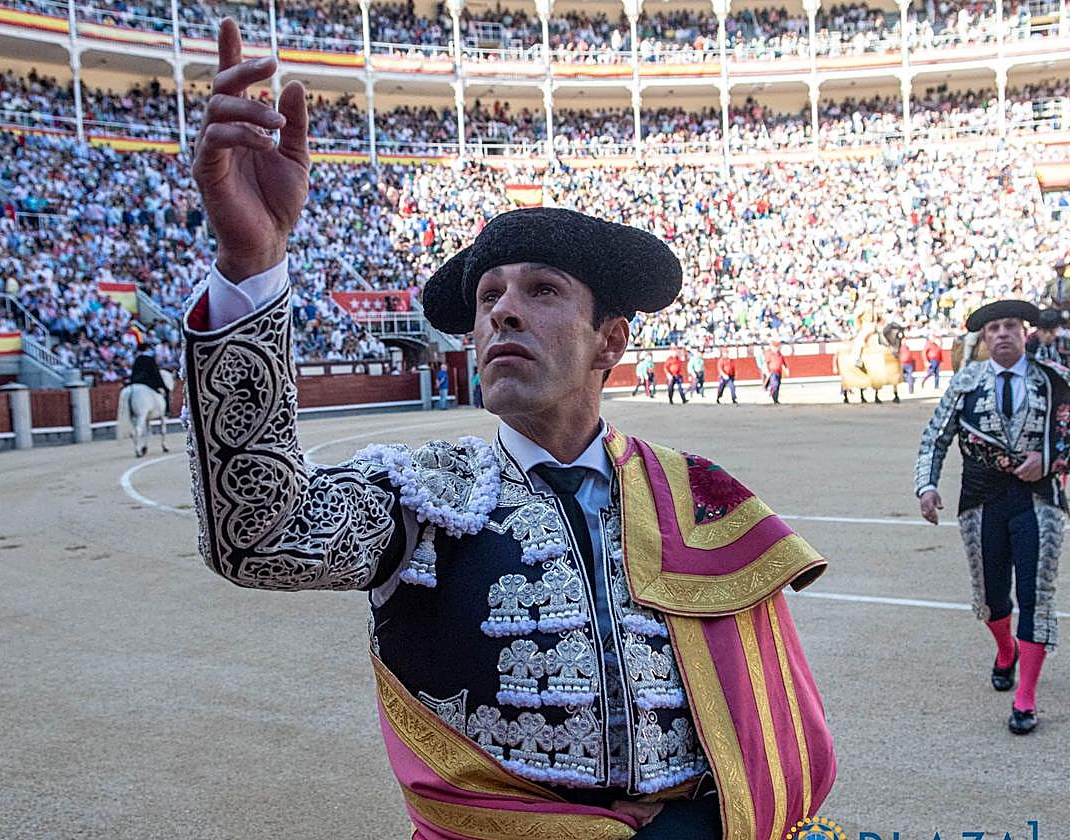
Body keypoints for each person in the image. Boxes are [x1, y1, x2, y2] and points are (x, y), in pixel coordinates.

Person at [181, 22, 835, 839]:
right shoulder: (422, 497)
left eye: (543, 290)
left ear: (611, 341)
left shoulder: (694, 493)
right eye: (488, 295)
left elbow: (762, 717)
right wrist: (253, 265)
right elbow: (259, 533)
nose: (503, 311)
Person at [915, 300, 1070, 735]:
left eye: (1009, 326)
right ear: (985, 339)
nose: (1001, 333)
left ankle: (1026, 698)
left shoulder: (1054, 382)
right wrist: (926, 486)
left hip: (1038, 501)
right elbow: (934, 440)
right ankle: (1006, 651)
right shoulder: (965, 383)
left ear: (1025, 333)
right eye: (993, 329)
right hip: (982, 503)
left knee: (1036, 596)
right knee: (992, 596)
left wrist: (1052, 457)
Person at [129, 341, 169, 412]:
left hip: (136, 381)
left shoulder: (137, 359)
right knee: (166, 391)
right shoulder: (150, 359)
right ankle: (166, 411)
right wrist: (162, 385)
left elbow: (134, 372)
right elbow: (156, 374)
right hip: (148, 382)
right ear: (147, 349)